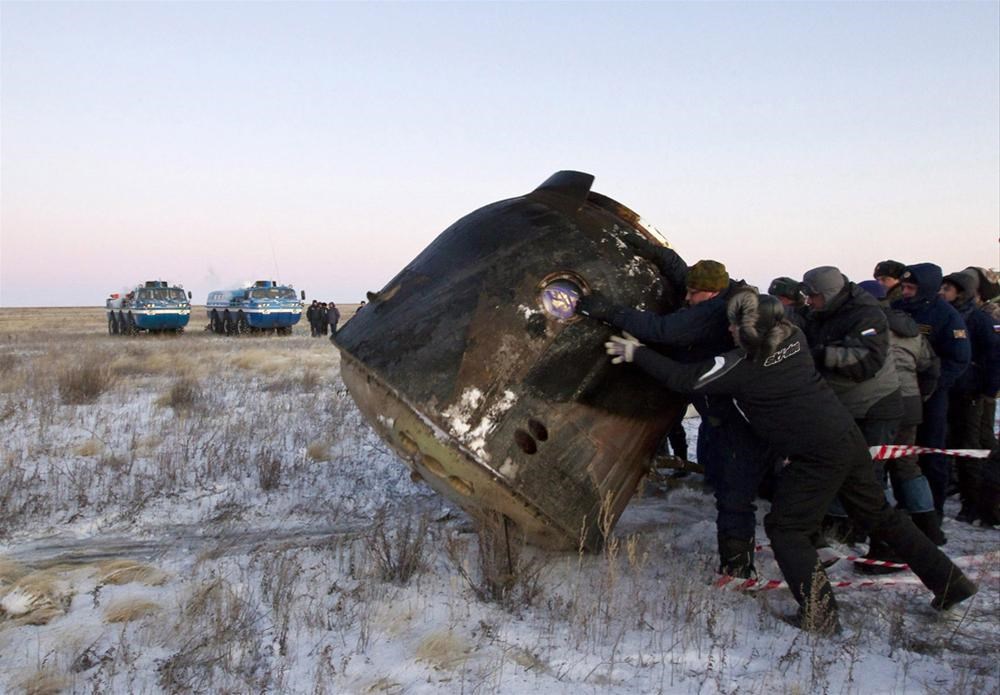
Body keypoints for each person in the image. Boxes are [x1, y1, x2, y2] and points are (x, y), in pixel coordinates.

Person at [602, 291, 977, 632]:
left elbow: (685, 378)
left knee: (786, 529)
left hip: (816, 454)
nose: (730, 330)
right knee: (881, 515)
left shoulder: (745, 366)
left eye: (737, 326)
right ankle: (950, 581)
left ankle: (820, 614)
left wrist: (638, 352)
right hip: (845, 437)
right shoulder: (794, 338)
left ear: (753, 330)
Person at [577, 243, 770, 578]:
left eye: (693, 294)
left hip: (735, 413)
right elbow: (680, 270)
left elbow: (661, 330)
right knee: (724, 473)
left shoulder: (713, 313)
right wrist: (645, 247)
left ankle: (737, 569)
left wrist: (607, 310)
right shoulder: (721, 290)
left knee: (734, 493)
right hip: (719, 410)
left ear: (710, 293)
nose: (686, 297)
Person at [800, 267, 902, 545]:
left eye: (813, 297)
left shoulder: (866, 314)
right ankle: (842, 525)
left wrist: (820, 356)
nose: (808, 302)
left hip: (875, 405)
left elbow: (866, 361)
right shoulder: (821, 314)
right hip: (844, 404)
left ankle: (885, 541)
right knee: (840, 466)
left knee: (869, 475)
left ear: (829, 294)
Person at [857, 280, 944, 555]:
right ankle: (930, 525)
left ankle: (879, 535)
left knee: (874, 468)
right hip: (911, 401)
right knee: (908, 465)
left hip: (880, 403)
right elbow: (930, 365)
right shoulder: (911, 327)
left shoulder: (866, 325)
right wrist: (921, 395)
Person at [893, 263, 971, 518]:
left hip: (933, 394)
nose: (905, 292)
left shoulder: (947, 316)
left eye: (911, 287)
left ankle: (932, 510)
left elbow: (958, 359)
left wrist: (932, 384)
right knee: (900, 453)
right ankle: (905, 503)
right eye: (903, 286)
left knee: (931, 452)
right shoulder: (898, 309)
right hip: (899, 393)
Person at [939, 270, 1000, 523]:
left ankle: (974, 502)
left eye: (948, 289)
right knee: (954, 444)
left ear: (962, 293)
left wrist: (987, 390)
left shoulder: (978, 319)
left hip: (972, 393)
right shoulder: (946, 317)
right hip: (951, 391)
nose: (943, 293)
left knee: (970, 447)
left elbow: (994, 356)